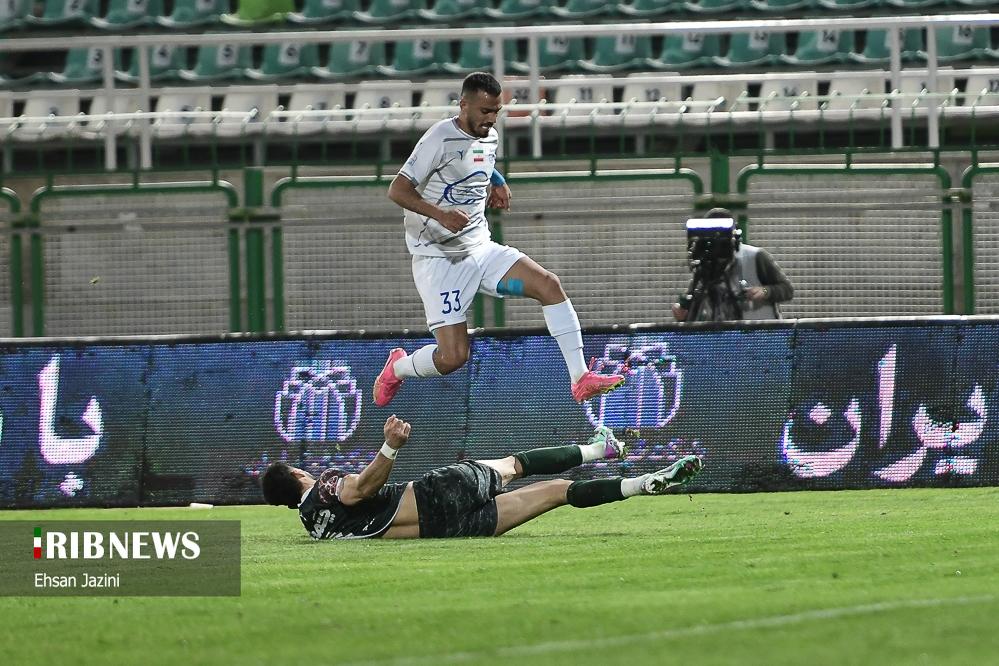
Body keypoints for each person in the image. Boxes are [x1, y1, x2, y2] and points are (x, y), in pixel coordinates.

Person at [376, 71, 625, 406]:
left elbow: (476, 156)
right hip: (441, 261)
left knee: (549, 285)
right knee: (453, 358)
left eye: (496, 111)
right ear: (463, 105)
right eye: (485, 111)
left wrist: (497, 180)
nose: (491, 119)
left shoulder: (489, 136)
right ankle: (398, 367)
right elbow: (398, 190)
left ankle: (580, 379)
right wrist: (440, 214)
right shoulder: (438, 138)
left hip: (481, 250)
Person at [261, 415, 704, 540]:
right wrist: (390, 447)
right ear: (298, 474)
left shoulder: (313, 525)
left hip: (446, 531)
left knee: (556, 493)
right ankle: (600, 449)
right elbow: (360, 489)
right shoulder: (324, 486)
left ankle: (641, 484)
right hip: (434, 496)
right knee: (516, 465)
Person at [672, 208, 794, 323]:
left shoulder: (755, 256)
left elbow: (787, 289)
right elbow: (691, 299)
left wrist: (765, 291)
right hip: (720, 336)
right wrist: (682, 311)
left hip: (758, 334)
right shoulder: (705, 262)